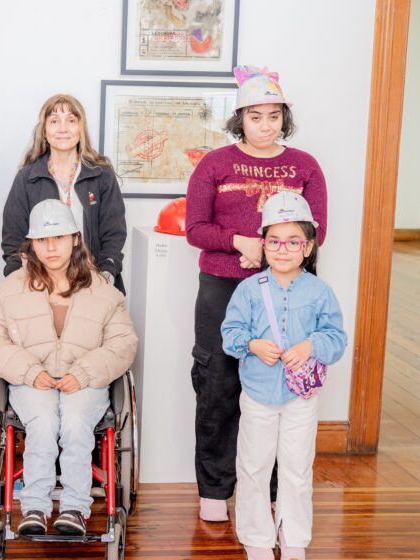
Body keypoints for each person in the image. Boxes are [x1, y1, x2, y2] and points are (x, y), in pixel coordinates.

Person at [185, 65, 328, 522]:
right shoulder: (215, 164)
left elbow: (316, 229)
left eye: (273, 116)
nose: (265, 125)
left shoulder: (305, 166)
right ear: (239, 119)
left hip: (286, 290)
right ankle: (214, 489)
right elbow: (195, 228)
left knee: (277, 387)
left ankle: (269, 490)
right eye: (255, 116)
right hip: (224, 287)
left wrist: (271, 253)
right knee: (217, 385)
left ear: (283, 118)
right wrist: (240, 242)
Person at [0, 199, 138, 536]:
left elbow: (124, 344)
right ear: (32, 244)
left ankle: (75, 509)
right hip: (32, 381)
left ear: (76, 238)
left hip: (85, 382)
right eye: (42, 240)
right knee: (45, 422)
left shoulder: (103, 290)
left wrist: (83, 373)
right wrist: (27, 371)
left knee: (77, 423)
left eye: (59, 238)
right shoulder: (11, 289)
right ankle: (35, 506)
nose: (51, 247)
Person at [221, 192, 347, 560]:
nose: (283, 249)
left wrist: (310, 346)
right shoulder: (248, 290)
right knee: (253, 466)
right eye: (274, 241)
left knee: (296, 468)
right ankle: (257, 538)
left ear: (307, 247)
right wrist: (254, 345)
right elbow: (230, 335)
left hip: (301, 399)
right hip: (258, 395)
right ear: (263, 245)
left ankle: (294, 537)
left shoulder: (320, 291)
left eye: (293, 241)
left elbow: (336, 339)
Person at [1, 94, 127, 294]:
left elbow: (114, 233)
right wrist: (21, 280)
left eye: (71, 120)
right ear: (44, 130)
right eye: (54, 121)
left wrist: (105, 275)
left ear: (80, 129)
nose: (63, 129)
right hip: (41, 284)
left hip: (93, 280)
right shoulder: (27, 178)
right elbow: (13, 237)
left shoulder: (101, 176)